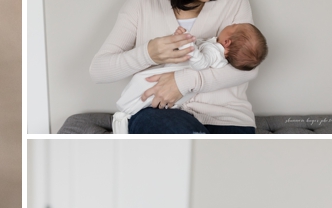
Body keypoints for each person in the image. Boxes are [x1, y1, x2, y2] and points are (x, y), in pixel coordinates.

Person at [88, 0, 258, 135]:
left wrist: (184, 81)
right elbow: (98, 71)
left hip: (227, 117)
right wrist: (148, 54)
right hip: (161, 114)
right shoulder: (142, 3)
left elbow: (248, 69)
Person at [109, 23, 265, 133]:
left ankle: (126, 111)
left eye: (234, 25)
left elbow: (200, 61)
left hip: (187, 92)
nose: (231, 23)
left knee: (143, 83)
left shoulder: (214, 52)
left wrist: (187, 44)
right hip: (182, 107)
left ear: (227, 41)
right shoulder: (218, 53)